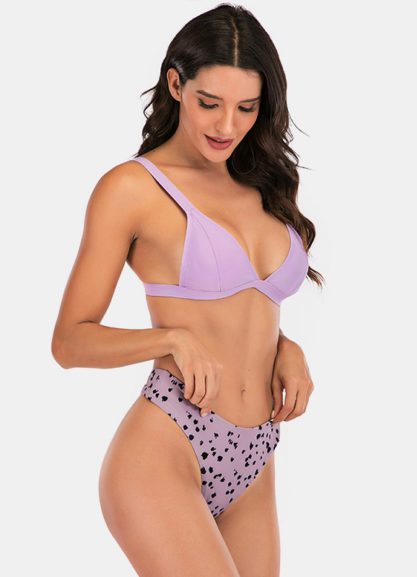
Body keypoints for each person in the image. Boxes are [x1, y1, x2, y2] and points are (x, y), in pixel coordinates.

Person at [51, 4, 323, 576]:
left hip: (256, 452)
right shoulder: (131, 188)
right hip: (167, 444)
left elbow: (245, 307)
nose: (227, 126)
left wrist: (286, 346)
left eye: (246, 108)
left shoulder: (264, 183)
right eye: (209, 103)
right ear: (176, 85)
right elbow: (70, 342)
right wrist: (169, 339)